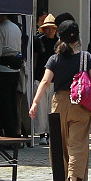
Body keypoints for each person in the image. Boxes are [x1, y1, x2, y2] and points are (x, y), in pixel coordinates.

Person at [29, 19, 91, 181]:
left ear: (60, 37)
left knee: (58, 144)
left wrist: (35, 103)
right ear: (77, 38)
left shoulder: (54, 59)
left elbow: (45, 81)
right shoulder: (86, 57)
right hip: (81, 103)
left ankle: (61, 180)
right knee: (78, 144)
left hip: (59, 102)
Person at [31, 14, 58, 143]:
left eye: (52, 28)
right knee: (41, 108)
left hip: (54, 79)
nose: (50, 30)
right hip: (40, 76)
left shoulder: (59, 43)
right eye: (48, 28)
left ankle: (51, 133)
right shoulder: (38, 40)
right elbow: (35, 58)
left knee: (52, 108)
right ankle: (42, 134)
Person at [0, 14, 23, 138]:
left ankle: (8, 134)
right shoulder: (16, 28)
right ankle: (15, 132)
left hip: (3, 68)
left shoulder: (0, 28)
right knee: (13, 102)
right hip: (15, 69)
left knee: (5, 104)